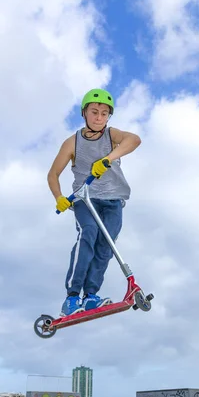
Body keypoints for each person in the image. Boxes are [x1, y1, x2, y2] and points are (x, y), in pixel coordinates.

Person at [47, 88, 141, 316]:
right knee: (88, 234)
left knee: (105, 247)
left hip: (113, 200)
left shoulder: (112, 135)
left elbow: (134, 140)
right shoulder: (72, 143)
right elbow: (53, 174)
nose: (99, 118)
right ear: (84, 113)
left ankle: (90, 296)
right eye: (94, 112)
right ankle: (71, 297)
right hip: (85, 199)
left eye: (104, 113)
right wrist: (59, 197)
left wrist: (108, 158)